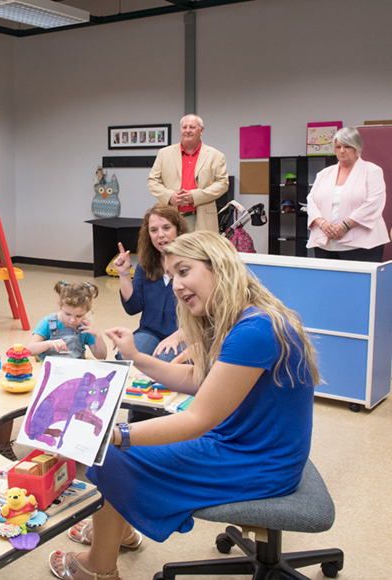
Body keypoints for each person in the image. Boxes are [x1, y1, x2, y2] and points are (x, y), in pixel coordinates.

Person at [49, 231, 319, 580]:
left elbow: (197, 418)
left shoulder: (254, 330)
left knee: (110, 454)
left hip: (258, 460)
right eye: (171, 275)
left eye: (184, 270)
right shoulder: (248, 316)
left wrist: (113, 434)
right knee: (123, 448)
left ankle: (98, 569)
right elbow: (198, 379)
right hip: (252, 444)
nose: (175, 285)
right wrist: (134, 357)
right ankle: (120, 531)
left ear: (218, 267)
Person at [111, 204, 188, 363]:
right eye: (154, 230)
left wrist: (177, 336)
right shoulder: (146, 265)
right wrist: (124, 273)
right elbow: (133, 308)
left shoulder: (193, 264)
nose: (160, 235)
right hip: (149, 332)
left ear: (178, 230)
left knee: (163, 361)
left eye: (166, 228)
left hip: (185, 333)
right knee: (124, 356)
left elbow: (207, 316)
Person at [306, 126, 389, 262]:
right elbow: (311, 200)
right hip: (325, 244)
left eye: (347, 146)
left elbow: (374, 203)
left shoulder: (372, 171)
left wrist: (345, 226)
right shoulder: (324, 174)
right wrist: (322, 224)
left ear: (357, 147)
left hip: (362, 245)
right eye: (338, 147)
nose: (342, 151)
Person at [147, 115, 229, 232]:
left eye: (192, 127)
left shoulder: (216, 156)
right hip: (169, 217)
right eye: (184, 127)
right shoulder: (164, 153)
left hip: (201, 218)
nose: (188, 131)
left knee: (200, 250)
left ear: (201, 130)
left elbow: (223, 183)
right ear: (180, 130)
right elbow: (152, 181)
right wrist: (170, 196)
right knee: (171, 250)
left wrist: (195, 196)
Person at [25, 281, 107, 361]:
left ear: (87, 310)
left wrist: (97, 335)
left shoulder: (85, 326)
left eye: (79, 316)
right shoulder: (47, 322)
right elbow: (28, 350)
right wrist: (49, 344)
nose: (72, 320)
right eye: (68, 314)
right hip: (49, 369)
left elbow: (101, 356)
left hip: (75, 369)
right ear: (60, 305)